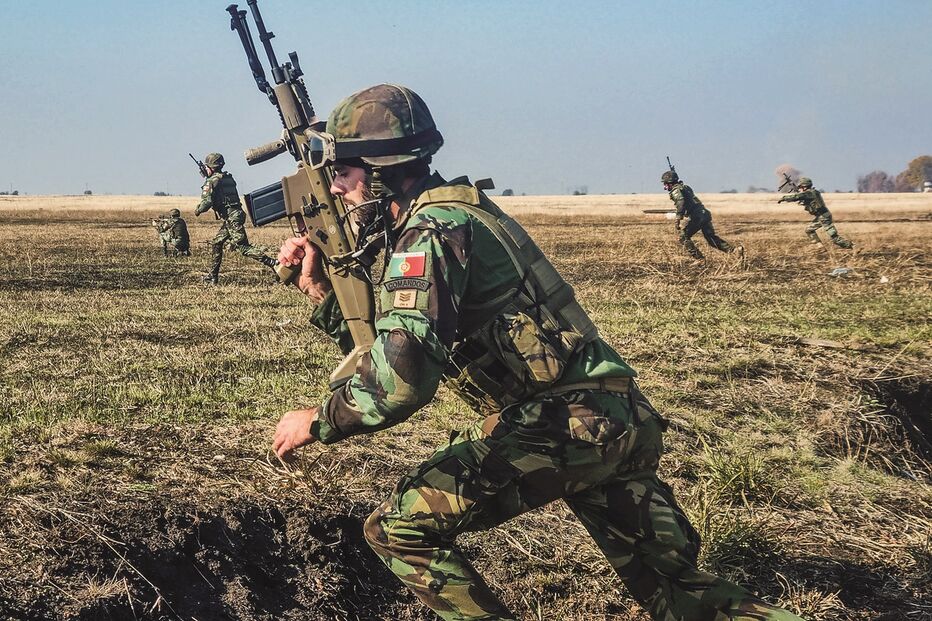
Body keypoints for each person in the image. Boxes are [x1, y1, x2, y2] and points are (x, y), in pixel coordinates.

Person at [272, 84, 801, 621]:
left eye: (343, 171)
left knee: (399, 527)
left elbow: (403, 377)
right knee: (683, 595)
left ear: (381, 171)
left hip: (565, 425)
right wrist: (318, 289)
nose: (336, 187)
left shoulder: (430, 234)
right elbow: (389, 342)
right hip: (615, 418)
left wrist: (318, 420)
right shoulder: (456, 215)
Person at [194, 152, 278, 284]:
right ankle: (212, 276)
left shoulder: (211, 181)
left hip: (231, 218)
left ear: (210, 167)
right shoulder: (227, 178)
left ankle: (275, 264)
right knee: (217, 243)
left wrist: (198, 210)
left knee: (244, 248)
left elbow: (206, 203)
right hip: (234, 216)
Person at [662, 170, 740, 260]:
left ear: (670, 183)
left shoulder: (676, 190)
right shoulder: (685, 187)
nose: (665, 187)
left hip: (697, 217)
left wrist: (678, 217)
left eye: (665, 184)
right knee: (711, 239)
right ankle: (735, 251)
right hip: (704, 214)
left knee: (683, 237)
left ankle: (699, 259)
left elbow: (681, 202)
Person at [778, 177, 853, 249]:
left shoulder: (809, 193)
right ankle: (820, 247)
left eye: (801, 187)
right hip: (821, 217)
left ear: (805, 186)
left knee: (834, 238)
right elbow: (804, 198)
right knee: (809, 230)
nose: (800, 188)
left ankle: (852, 246)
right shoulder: (813, 192)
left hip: (824, 217)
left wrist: (784, 198)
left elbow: (796, 196)